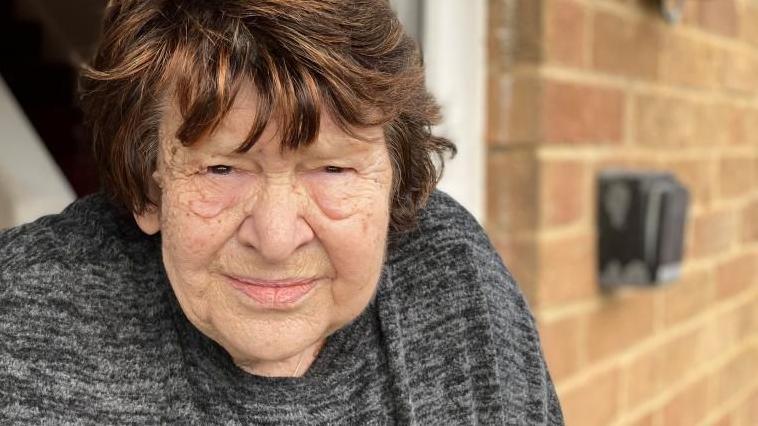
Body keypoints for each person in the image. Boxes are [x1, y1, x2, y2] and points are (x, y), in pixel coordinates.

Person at [0, 0, 563, 423]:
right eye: (222, 169)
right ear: (151, 190)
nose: (275, 238)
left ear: (395, 188)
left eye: (333, 170)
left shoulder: (453, 274)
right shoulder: (23, 310)